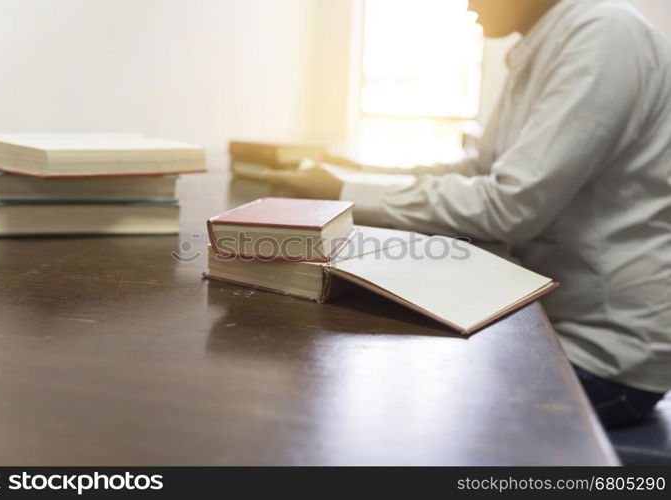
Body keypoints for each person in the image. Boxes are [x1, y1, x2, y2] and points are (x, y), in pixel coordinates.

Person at [267, 0, 671, 429]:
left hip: (602, 354)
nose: (467, 4)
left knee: (394, 411)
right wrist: (357, 175)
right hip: (551, 323)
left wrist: (347, 190)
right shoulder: (551, 40)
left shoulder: (601, 34)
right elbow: (480, 170)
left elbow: (510, 206)